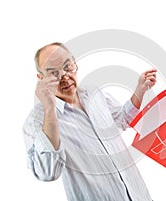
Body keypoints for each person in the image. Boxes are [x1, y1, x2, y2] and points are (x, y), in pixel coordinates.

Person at [23, 42, 157, 201]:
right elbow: (48, 172)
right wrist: (49, 108)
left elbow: (121, 120)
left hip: (138, 195)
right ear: (41, 78)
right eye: (53, 73)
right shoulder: (36, 121)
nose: (64, 77)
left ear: (74, 62)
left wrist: (140, 90)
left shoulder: (94, 93)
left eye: (67, 67)